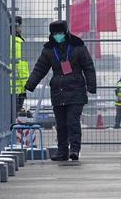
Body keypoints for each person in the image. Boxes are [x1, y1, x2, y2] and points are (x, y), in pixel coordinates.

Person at [25, 20, 96, 161]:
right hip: (58, 91)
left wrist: (91, 86)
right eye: (55, 33)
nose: (58, 35)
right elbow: (40, 68)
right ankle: (62, 151)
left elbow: (88, 66)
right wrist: (30, 84)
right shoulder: (49, 49)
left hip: (76, 90)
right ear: (51, 34)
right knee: (61, 123)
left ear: (66, 32)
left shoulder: (77, 45)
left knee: (72, 122)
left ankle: (74, 150)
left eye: (60, 33)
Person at [10, 16, 30, 113]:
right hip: (17, 89)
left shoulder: (2, 41)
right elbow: (22, 67)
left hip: (4, 87)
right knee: (14, 115)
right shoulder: (19, 43)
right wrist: (25, 85)